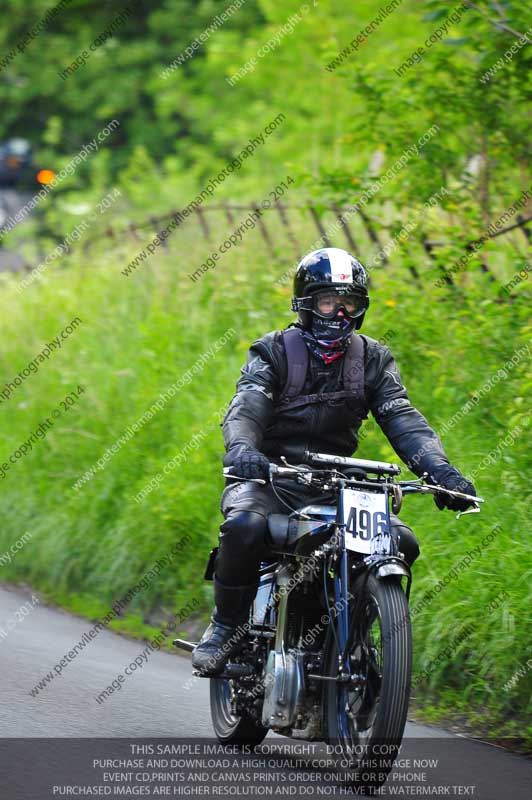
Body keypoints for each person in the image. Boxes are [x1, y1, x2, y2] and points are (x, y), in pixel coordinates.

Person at [191, 247, 476, 674]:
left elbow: (402, 418)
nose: (339, 314)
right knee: (244, 526)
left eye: (350, 304)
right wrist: (243, 451)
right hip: (272, 475)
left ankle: (356, 633)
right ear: (306, 303)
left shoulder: (373, 358)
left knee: (403, 542)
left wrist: (440, 470)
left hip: (339, 481)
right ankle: (225, 627)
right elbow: (247, 406)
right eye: (329, 301)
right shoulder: (273, 351)